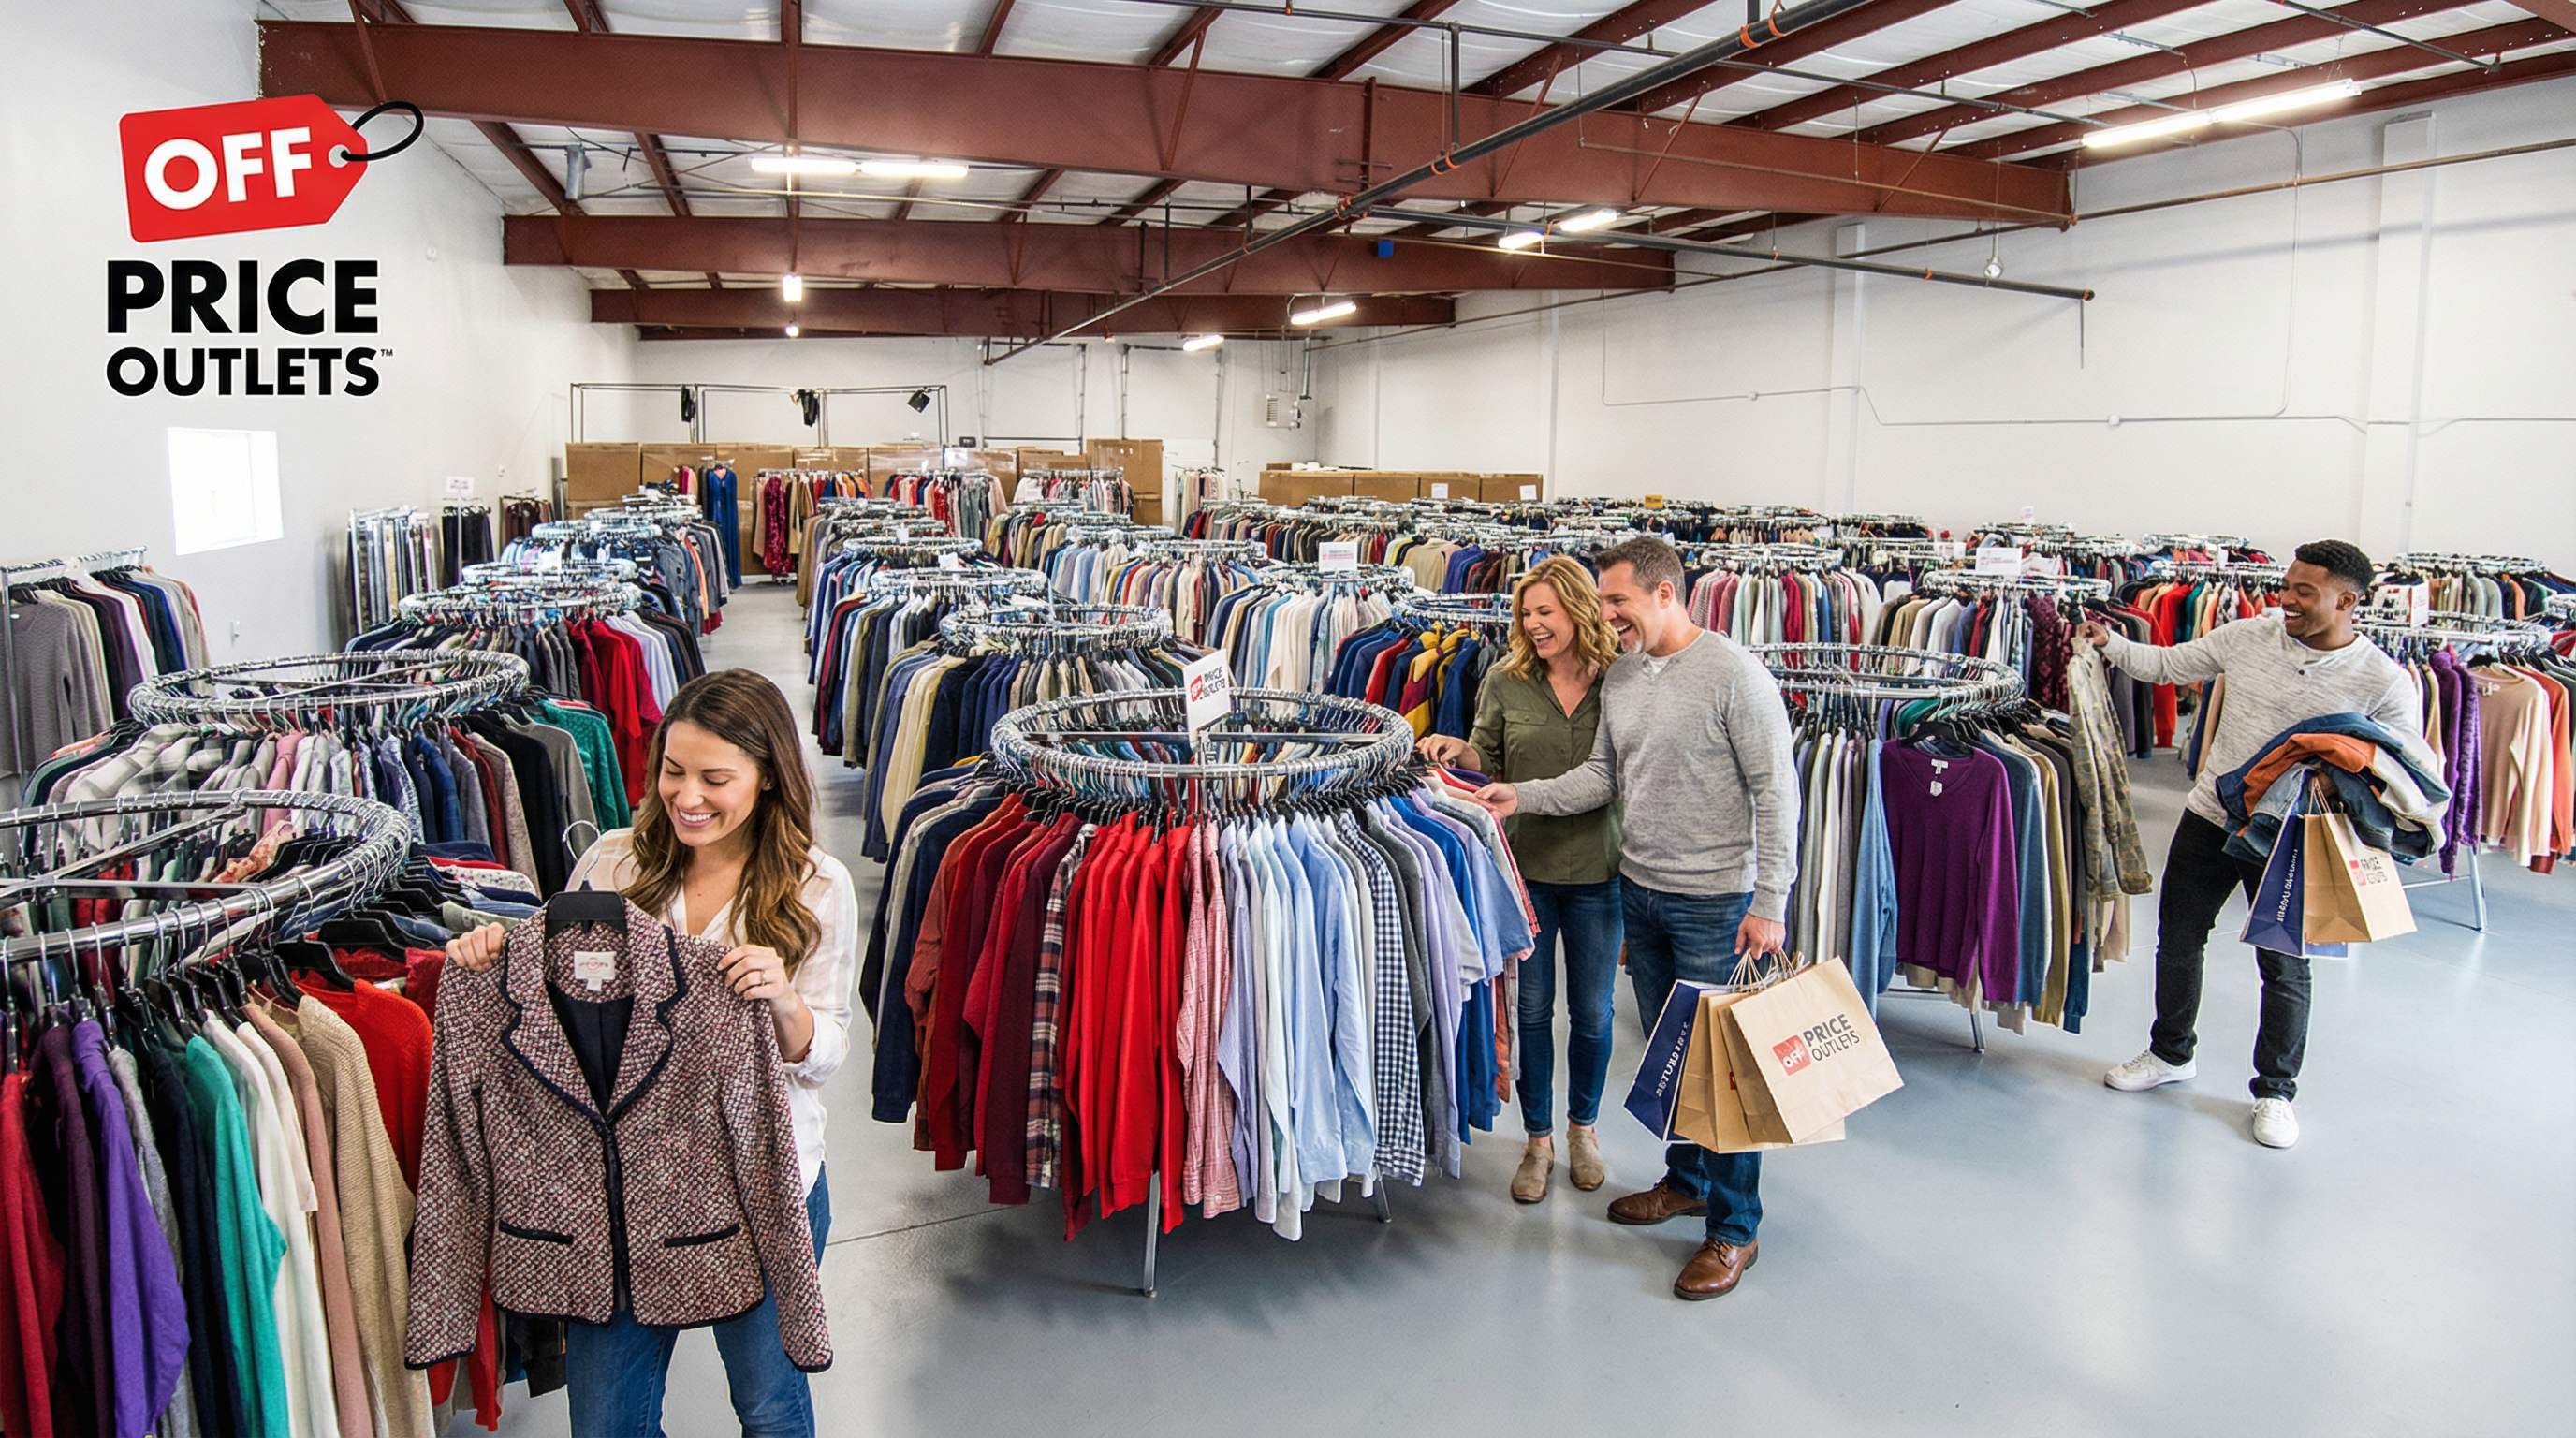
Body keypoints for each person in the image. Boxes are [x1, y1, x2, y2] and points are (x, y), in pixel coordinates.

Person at [445, 668, 858, 1437]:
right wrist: (496, 955)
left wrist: (782, 998)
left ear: (768, 779)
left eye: (715, 778)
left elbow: (823, 1054)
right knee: (605, 1422)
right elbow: (554, 1001)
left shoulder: (815, 886)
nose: (687, 796)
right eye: (673, 771)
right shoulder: (612, 863)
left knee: (769, 1404)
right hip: (619, 1193)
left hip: (758, 1184)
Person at [1471, 536, 1799, 1301]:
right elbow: (1601, 777)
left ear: (1662, 593)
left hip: (1716, 903)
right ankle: (1685, 1181)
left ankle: (1734, 1229)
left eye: (1617, 600)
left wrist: (1771, 903)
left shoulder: (1733, 675)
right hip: (1642, 890)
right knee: (1674, 1057)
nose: (1607, 613)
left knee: (1724, 1072)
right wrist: (1523, 796)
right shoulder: (1626, 678)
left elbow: (1776, 791)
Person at [2081, 539, 2425, 1150]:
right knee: (2179, 939)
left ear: (2347, 599)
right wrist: (2111, 644)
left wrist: (2339, 777)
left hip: (2291, 836)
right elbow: (2168, 665)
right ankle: (2170, 1053)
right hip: (2210, 815)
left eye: (2303, 591)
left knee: (2284, 966)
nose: (2285, 600)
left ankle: (2275, 1092)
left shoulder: (2383, 681)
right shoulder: (2248, 636)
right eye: (2285, 586)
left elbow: (2405, 771)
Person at [1418, 556, 1626, 1206]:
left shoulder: (1621, 680)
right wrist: (1460, 751)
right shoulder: (1507, 680)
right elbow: (1490, 756)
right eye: (1526, 614)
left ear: (1577, 609)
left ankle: (1583, 1129)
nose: (1534, 625)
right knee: (1532, 1012)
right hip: (1524, 870)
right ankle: (1538, 1140)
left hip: (1600, 868)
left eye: (1545, 612)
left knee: (1592, 1014)